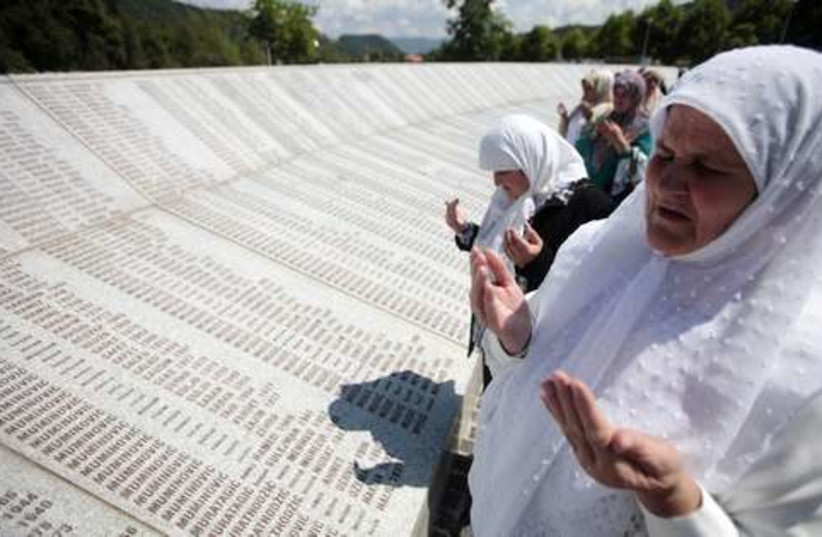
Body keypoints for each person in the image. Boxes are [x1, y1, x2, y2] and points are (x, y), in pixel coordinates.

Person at [467, 45, 822, 536]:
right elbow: (521, 381)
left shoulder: (807, 376)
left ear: (784, 193)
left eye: (709, 167)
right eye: (668, 153)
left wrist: (676, 503)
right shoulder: (596, 250)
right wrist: (516, 338)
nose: (670, 181)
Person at [445, 114, 613, 383]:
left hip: (542, 349)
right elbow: (498, 247)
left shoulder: (589, 205)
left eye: (502, 171)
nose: (496, 181)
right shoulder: (514, 197)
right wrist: (465, 231)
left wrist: (536, 260)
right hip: (502, 337)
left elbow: (594, 285)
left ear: (529, 161)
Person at [576, 70, 653, 203]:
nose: (618, 99)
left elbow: (643, 170)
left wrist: (620, 143)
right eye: (616, 94)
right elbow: (583, 146)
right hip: (592, 192)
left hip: (618, 201)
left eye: (624, 95)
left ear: (635, 97)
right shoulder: (607, 117)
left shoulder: (643, 127)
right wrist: (592, 137)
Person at [557, 69, 614, 146]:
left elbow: (593, 129)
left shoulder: (607, 108)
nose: (585, 91)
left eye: (589, 88)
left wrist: (589, 115)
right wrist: (564, 118)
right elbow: (566, 134)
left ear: (601, 88)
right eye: (584, 88)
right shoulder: (580, 108)